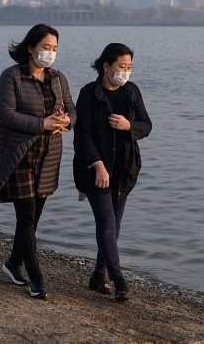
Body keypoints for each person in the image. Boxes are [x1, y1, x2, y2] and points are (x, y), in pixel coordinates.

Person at [0, 23, 75, 299]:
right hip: (18, 155)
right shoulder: (11, 76)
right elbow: (6, 114)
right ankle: (37, 278)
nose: (50, 53)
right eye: (45, 47)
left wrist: (66, 120)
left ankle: (13, 263)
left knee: (33, 218)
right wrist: (42, 123)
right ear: (30, 47)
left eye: (54, 48)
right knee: (26, 217)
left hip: (48, 156)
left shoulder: (58, 78)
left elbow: (72, 109)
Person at [72, 43, 152, 302]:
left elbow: (146, 125)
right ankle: (119, 280)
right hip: (95, 171)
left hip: (124, 170)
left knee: (113, 228)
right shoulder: (89, 93)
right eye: (121, 66)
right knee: (107, 223)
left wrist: (129, 126)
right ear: (106, 66)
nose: (125, 72)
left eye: (129, 67)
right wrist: (98, 165)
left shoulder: (132, 91)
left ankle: (98, 275)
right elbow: (82, 136)